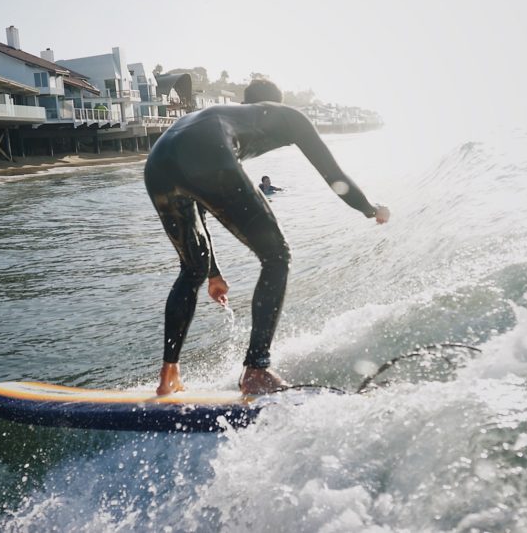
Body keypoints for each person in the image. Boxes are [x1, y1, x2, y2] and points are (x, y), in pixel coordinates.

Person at [144, 78, 390, 396]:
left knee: (191, 270)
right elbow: (334, 176)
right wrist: (371, 209)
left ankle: (168, 377)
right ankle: (257, 369)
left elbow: (198, 207)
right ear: (277, 102)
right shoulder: (288, 115)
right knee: (277, 257)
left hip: (157, 163)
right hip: (207, 153)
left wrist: (212, 273)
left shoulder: (224, 116)